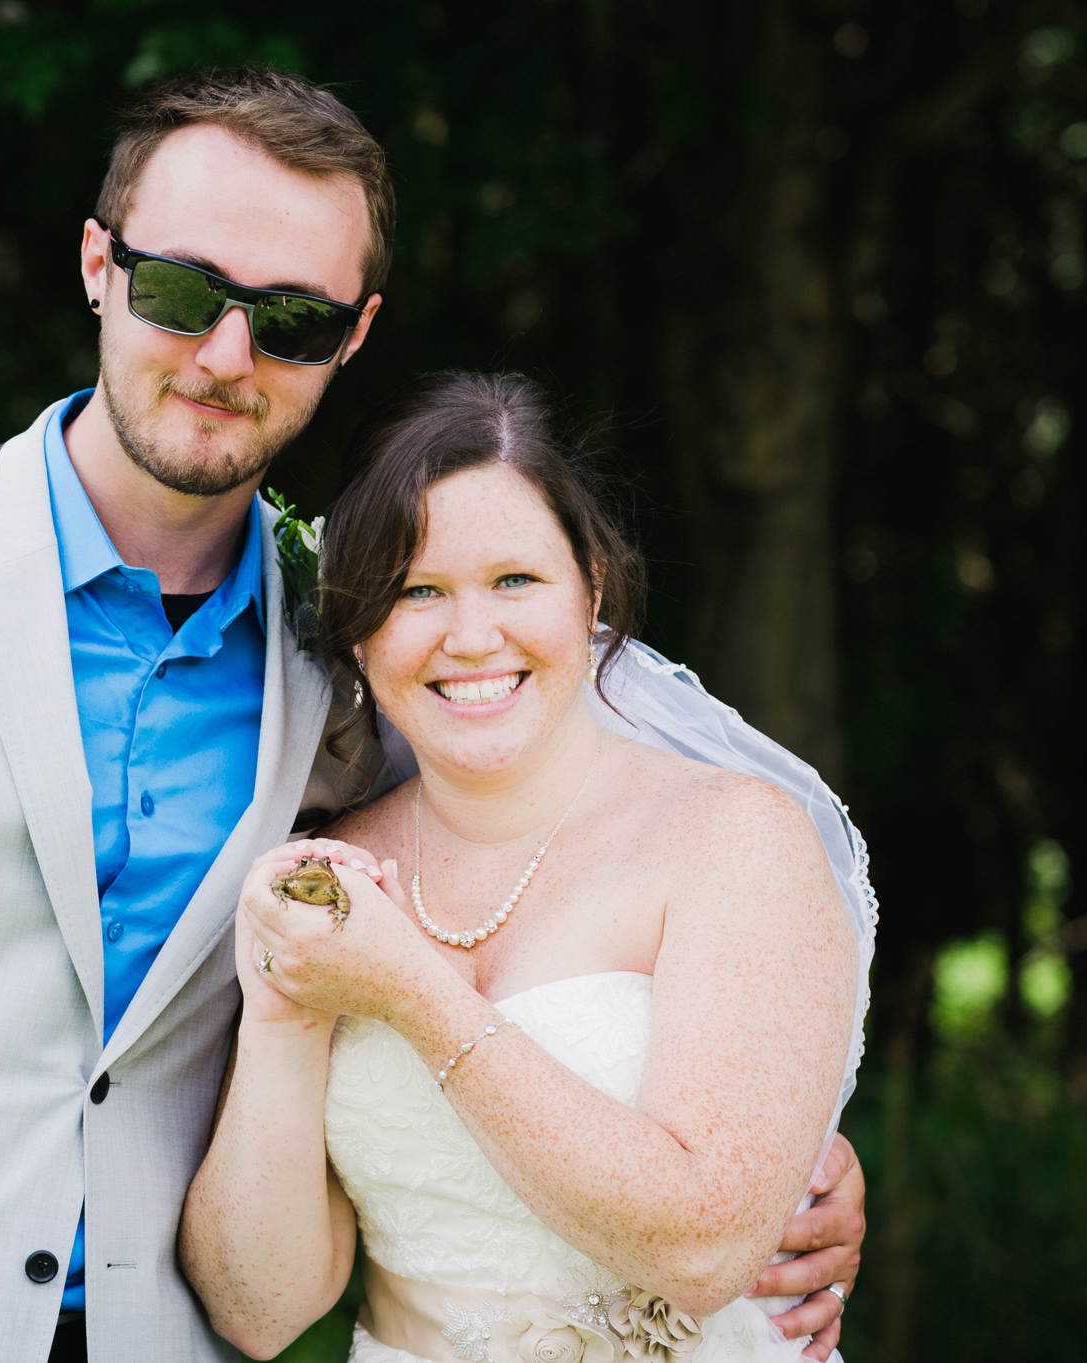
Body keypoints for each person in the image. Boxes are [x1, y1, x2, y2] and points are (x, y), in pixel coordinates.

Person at [0, 69, 866, 1363]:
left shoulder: (356, 658)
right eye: (182, 290)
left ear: (354, 334)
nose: (228, 353)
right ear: (100, 264)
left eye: (291, 318)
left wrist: (782, 1142)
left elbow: (547, 874)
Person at [180, 373, 872, 1363]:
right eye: (415, 590)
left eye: (514, 580)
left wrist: (413, 993)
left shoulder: (732, 838)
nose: (470, 637)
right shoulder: (328, 881)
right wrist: (284, 1015)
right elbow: (259, 1309)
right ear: (357, 628)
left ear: (590, 583)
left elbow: (704, 1245)